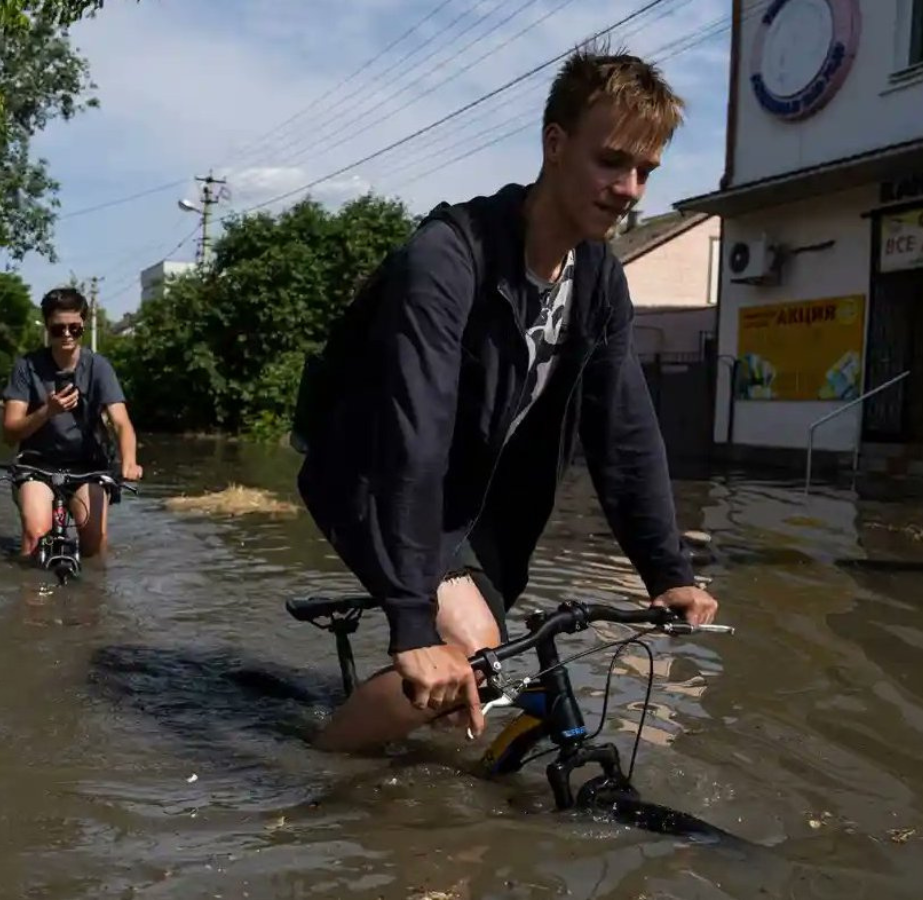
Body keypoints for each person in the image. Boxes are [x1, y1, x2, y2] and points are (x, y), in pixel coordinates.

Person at [294, 44, 719, 753]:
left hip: (471, 498)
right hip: (371, 468)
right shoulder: (445, 258)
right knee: (472, 650)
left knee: (478, 675)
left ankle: (401, 778)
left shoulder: (599, 279)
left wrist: (668, 572)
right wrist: (410, 619)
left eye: (646, 171)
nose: (631, 189)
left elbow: (624, 432)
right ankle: (308, 771)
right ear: (555, 144)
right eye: (612, 161)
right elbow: (412, 432)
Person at [2, 286, 143, 559]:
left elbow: (122, 423)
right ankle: (30, 596)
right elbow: (9, 432)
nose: (67, 334)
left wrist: (130, 460)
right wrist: (47, 411)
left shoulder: (99, 367)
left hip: (87, 466)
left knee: (94, 542)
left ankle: (92, 598)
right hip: (37, 464)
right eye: (58, 329)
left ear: (83, 325)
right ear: (47, 327)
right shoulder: (26, 367)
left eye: (74, 328)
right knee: (35, 535)